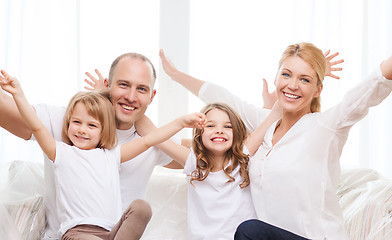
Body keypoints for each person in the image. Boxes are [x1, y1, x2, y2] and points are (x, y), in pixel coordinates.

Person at [159, 44, 392, 239]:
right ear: (277, 77)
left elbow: (368, 90)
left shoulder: (326, 126)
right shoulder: (265, 125)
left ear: (318, 89)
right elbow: (223, 99)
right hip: (269, 236)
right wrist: (175, 75)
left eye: (305, 79)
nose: (292, 85)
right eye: (287, 74)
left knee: (248, 231)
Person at [0, 70, 206, 239]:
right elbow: (35, 126)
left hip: (110, 233)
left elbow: (149, 140)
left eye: (91, 125)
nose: (82, 130)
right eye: (76, 123)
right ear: (68, 123)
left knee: (142, 208)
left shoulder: (112, 155)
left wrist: (181, 122)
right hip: (77, 232)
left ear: (103, 131)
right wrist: (17, 93)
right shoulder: (60, 152)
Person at [135, 101, 281, 240]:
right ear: (199, 133)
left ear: (236, 133)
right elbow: (148, 131)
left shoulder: (243, 156)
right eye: (210, 126)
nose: (219, 130)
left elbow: (275, 115)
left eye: (228, 127)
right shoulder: (194, 162)